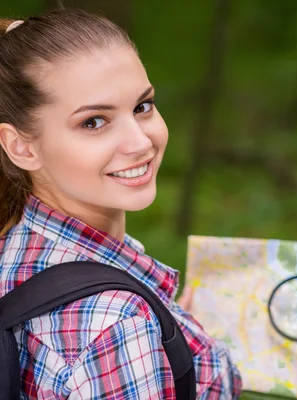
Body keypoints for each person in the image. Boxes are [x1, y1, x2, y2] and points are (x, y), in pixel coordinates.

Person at [0, 10, 241, 399]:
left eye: (142, 106)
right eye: (94, 122)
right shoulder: (116, 324)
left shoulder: (17, 249)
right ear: (21, 147)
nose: (140, 143)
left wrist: (176, 325)